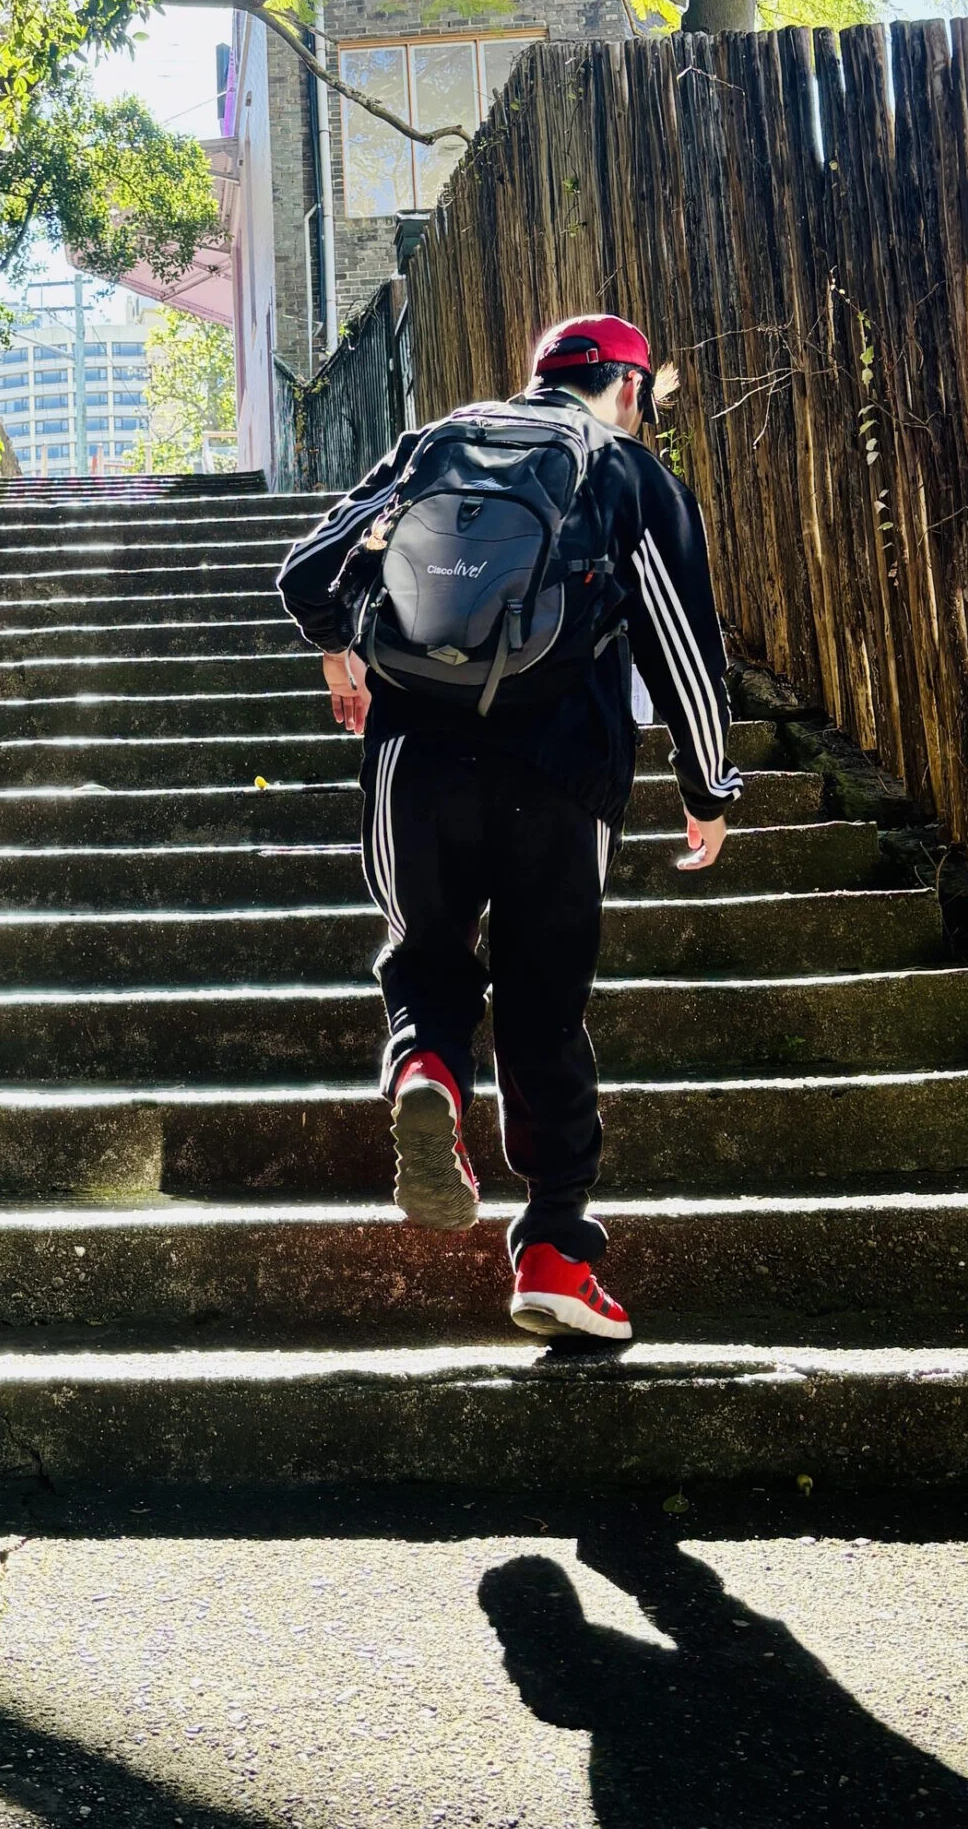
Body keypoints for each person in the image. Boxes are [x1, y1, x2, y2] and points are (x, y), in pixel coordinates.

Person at [275, 313, 742, 1342]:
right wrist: (707, 788)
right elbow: (682, 646)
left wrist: (337, 650)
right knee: (542, 1004)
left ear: (537, 378)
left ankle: (426, 1069)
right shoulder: (625, 471)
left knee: (426, 961)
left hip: (413, 758)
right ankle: (554, 1255)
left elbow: (306, 571)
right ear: (626, 389)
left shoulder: (438, 443)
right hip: (561, 772)